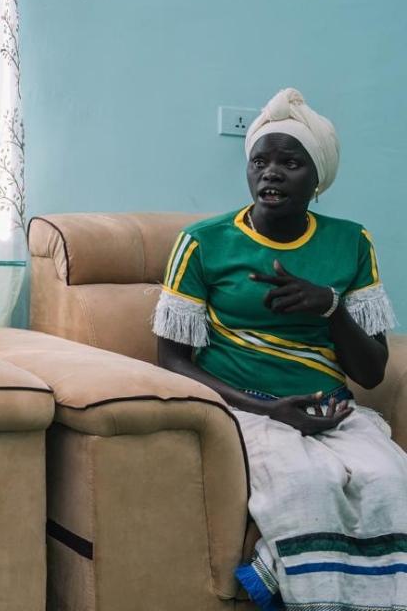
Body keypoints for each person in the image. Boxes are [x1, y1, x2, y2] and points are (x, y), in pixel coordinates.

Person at [153, 88, 406, 609]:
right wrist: (268, 409)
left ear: (318, 180)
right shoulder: (202, 242)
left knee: (388, 481)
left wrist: (330, 307)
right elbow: (171, 361)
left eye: (291, 163)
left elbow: (372, 373)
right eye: (260, 162)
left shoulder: (351, 242)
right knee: (307, 485)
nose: (271, 173)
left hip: (331, 408)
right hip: (244, 409)